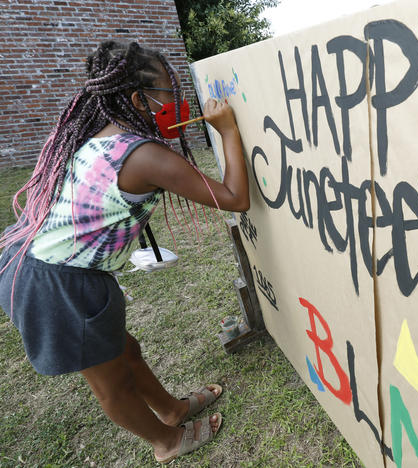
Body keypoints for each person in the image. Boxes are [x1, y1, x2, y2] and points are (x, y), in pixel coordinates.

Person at [0, 41, 249, 463]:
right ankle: (167, 441)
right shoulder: (145, 156)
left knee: (124, 350)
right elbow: (234, 198)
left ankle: (171, 410)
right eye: (171, 93)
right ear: (138, 99)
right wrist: (227, 131)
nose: (181, 102)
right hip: (54, 283)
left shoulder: (99, 135)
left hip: (43, 264)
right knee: (110, 383)